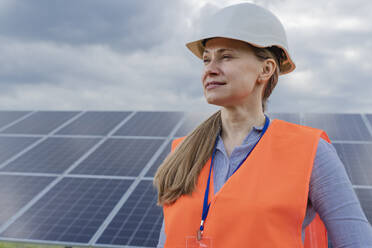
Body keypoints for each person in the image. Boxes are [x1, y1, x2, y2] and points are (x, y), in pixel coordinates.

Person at [153, 3, 372, 248]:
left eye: (225, 56)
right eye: (206, 60)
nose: (210, 70)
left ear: (266, 69)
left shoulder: (311, 153)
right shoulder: (182, 154)